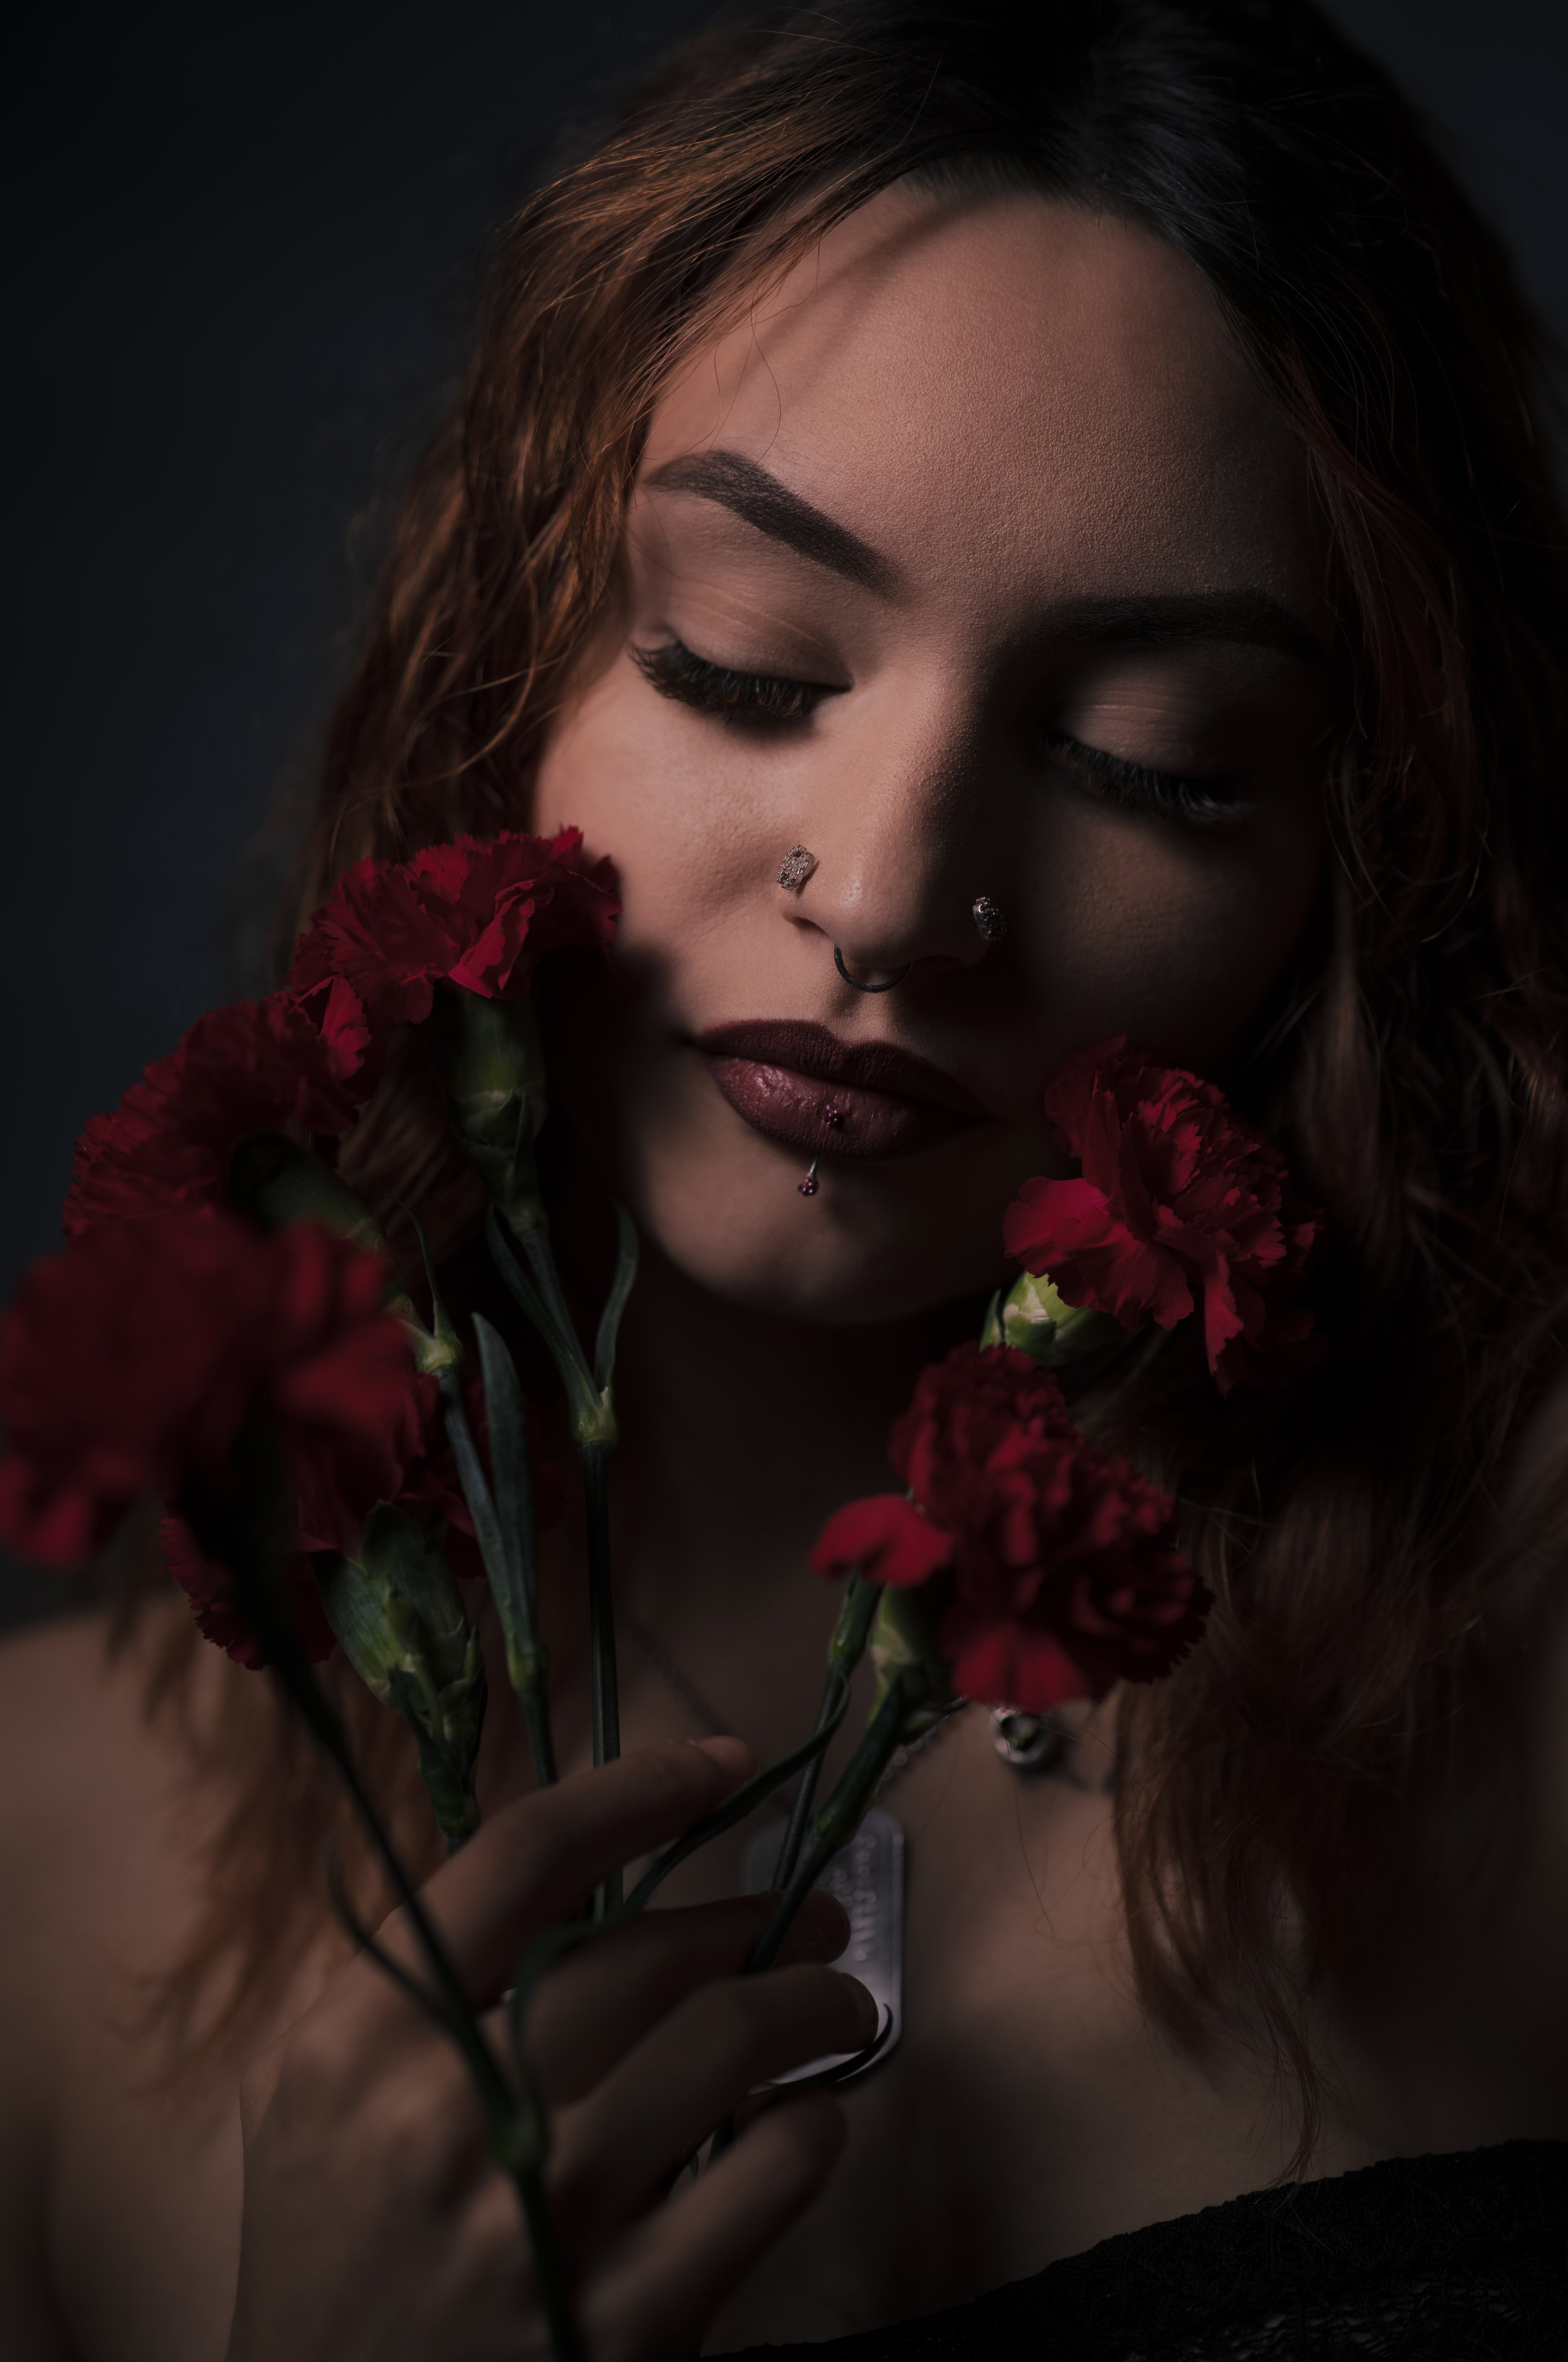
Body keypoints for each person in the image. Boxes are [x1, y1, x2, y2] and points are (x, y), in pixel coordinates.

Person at [6, 1, 1568, 2353]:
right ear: (503, 672)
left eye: (1155, 762)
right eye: (741, 667)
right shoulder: (32, 1861)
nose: (896, 892)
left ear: (1353, 876)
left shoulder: (1511, 1675)